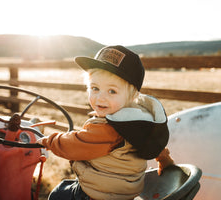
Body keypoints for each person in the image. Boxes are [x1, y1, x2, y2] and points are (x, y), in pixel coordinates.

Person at [37, 45, 174, 200]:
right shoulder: (140, 119)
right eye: (95, 88)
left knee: (58, 195)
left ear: (132, 96)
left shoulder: (109, 129)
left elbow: (75, 145)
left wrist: (49, 141)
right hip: (126, 190)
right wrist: (165, 160)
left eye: (112, 91)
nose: (100, 98)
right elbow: (155, 143)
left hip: (99, 194)